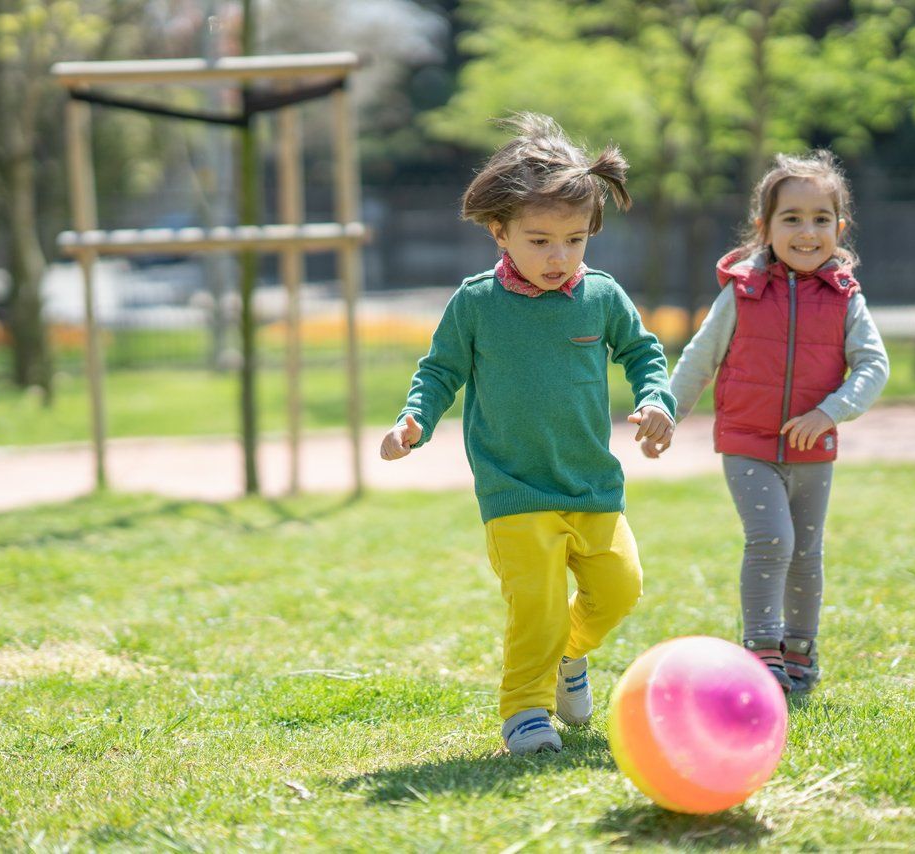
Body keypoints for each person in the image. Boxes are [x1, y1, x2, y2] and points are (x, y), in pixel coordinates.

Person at [380, 114, 676, 755]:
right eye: (539, 240)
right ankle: (525, 713)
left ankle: (569, 657)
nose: (558, 256)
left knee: (620, 589)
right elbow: (439, 371)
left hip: (591, 483)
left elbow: (645, 353)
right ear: (500, 231)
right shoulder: (476, 304)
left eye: (574, 240)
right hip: (514, 491)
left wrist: (656, 401)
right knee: (536, 608)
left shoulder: (599, 295)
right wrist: (414, 421)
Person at [643, 150, 889, 694]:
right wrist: (666, 411)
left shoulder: (846, 299)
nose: (807, 231)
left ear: (839, 227)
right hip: (748, 442)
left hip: (813, 446)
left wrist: (830, 411)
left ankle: (801, 649)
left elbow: (874, 365)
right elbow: (699, 358)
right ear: (764, 227)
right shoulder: (742, 291)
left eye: (821, 219)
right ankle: (762, 648)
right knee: (771, 540)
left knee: (806, 550)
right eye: (792, 219)